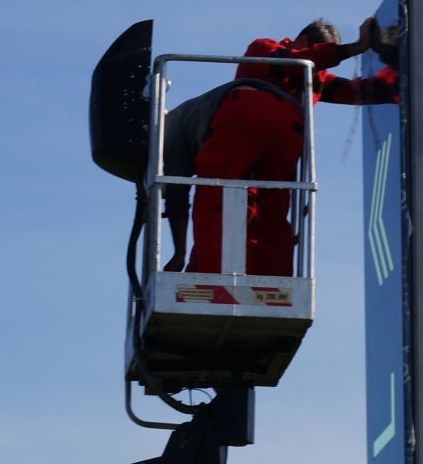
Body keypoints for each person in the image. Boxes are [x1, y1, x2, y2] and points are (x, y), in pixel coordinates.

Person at [166, 17, 398, 275]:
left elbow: (358, 91)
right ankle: (247, 279)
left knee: (225, 203)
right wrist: (353, 49)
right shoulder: (264, 48)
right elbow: (296, 63)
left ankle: (217, 281)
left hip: (246, 116)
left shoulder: (313, 76)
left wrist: (397, 64)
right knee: (258, 214)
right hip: (286, 129)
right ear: (301, 42)